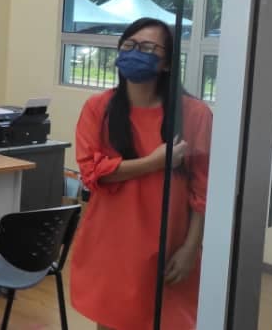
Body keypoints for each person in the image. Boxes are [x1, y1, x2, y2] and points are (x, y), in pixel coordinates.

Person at [71, 17, 213, 329]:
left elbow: (203, 190)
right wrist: (155, 161)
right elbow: (93, 173)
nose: (136, 53)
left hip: (169, 244)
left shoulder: (194, 113)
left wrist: (191, 247)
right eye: (129, 45)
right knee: (113, 320)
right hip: (112, 243)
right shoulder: (99, 108)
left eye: (148, 48)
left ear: (167, 63)